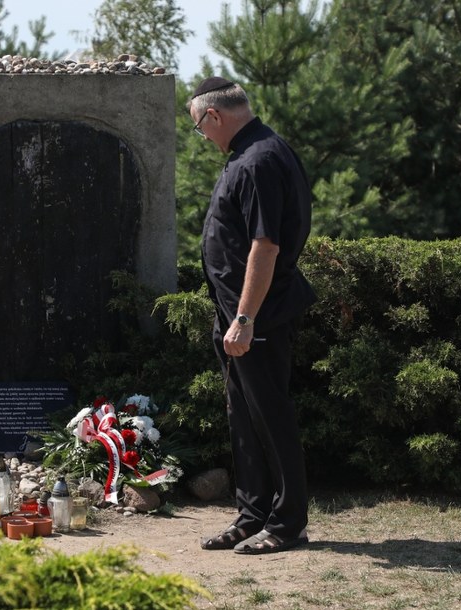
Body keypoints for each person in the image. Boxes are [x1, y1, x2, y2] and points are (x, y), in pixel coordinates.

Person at [190, 77, 316, 555]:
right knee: (243, 417)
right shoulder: (250, 153)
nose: (203, 136)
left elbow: (266, 246)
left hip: (257, 316)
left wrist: (245, 319)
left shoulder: (259, 159)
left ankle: (287, 524)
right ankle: (253, 514)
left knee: (270, 417)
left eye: (199, 127)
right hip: (237, 316)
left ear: (214, 116)